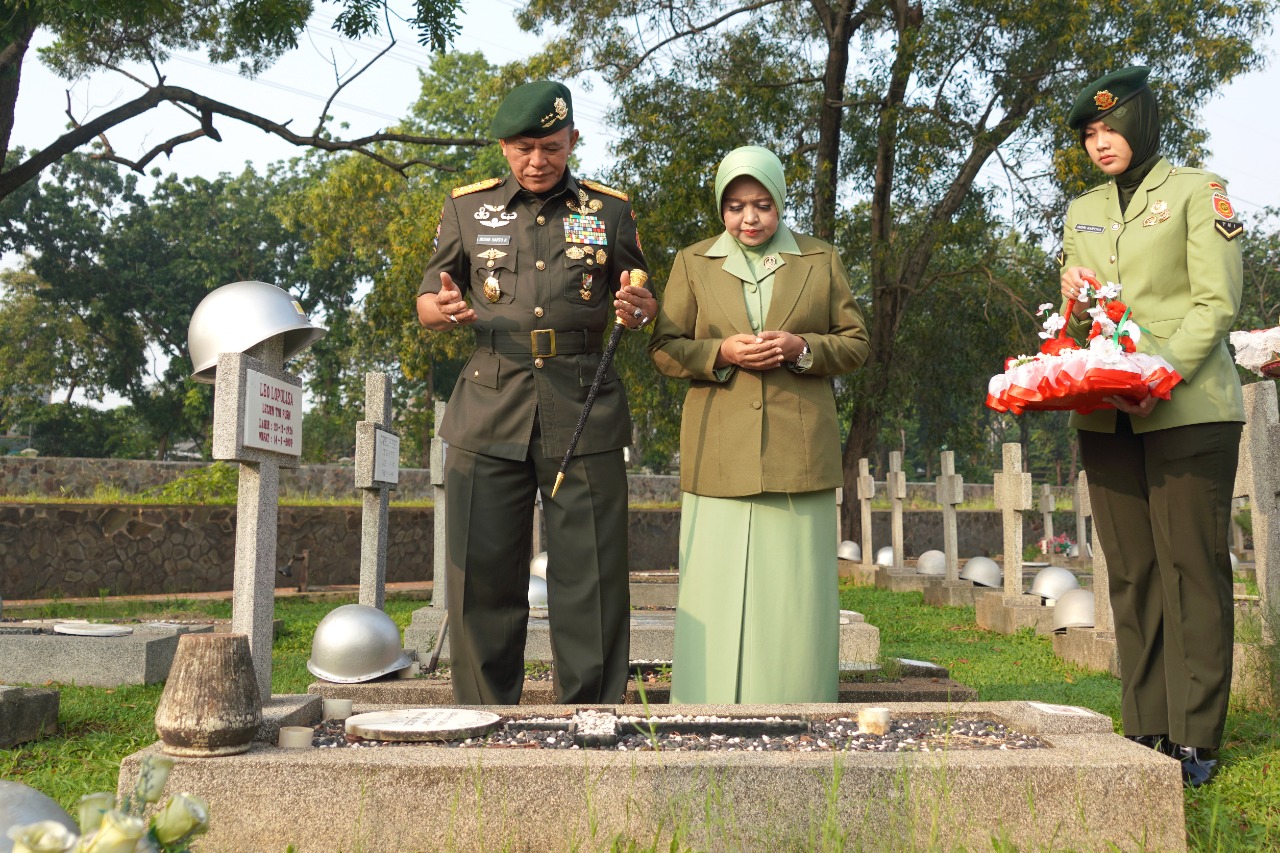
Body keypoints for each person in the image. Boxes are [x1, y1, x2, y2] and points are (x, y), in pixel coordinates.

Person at [416, 80, 655, 705]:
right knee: (482, 573)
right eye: (524, 148)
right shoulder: (468, 209)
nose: (537, 161)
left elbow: (639, 296)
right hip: (490, 402)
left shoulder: (611, 211)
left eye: (550, 146)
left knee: (593, 574)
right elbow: (427, 299)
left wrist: (639, 307)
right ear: (503, 147)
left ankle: (591, 714)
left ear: (573, 140)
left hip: (584, 403)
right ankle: (485, 715)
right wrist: (443, 308)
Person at [1058, 66, 1246, 786]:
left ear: (1139, 124)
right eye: (1088, 135)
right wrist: (1070, 296)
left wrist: (1157, 371)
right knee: (1132, 572)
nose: (1098, 143)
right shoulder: (1081, 211)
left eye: (1108, 128)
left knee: (1190, 566)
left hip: (1187, 407)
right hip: (1107, 416)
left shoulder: (1200, 192)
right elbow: (1082, 316)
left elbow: (1216, 303)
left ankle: (1196, 734)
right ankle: (1148, 725)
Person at [648, 145, 869, 703]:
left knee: (791, 591)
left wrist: (802, 349)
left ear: (780, 204)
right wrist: (719, 353)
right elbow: (666, 349)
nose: (749, 218)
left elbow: (856, 343)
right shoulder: (692, 262)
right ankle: (704, 699)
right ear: (721, 208)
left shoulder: (819, 260)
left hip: (799, 455)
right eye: (736, 206)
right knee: (715, 587)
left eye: (763, 205)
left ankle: (800, 696)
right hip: (717, 452)